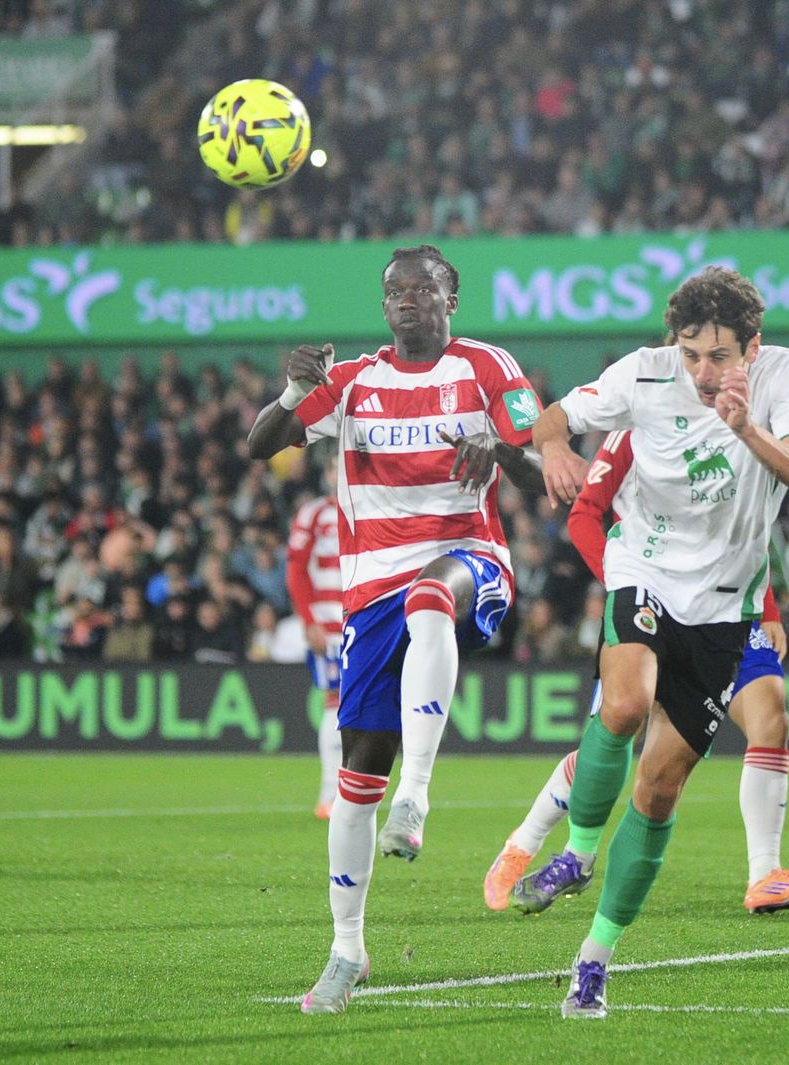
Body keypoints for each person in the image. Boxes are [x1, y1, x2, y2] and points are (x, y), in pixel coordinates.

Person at [246, 244, 547, 1014]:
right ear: (383, 306)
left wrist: (504, 447)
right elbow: (260, 444)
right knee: (354, 784)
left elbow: (549, 470)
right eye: (395, 289)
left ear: (454, 298)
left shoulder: (487, 368)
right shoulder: (352, 383)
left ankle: (416, 794)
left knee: (428, 598)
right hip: (367, 594)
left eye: (424, 286)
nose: (408, 297)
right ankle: (347, 950)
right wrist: (292, 389)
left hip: (468, 560)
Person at [520, 267, 789, 1019]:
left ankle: (593, 960)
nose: (700, 371)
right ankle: (578, 851)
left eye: (718, 356)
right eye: (690, 352)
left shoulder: (786, 375)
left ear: (752, 347)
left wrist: (744, 427)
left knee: (658, 788)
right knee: (623, 704)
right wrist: (558, 450)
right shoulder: (646, 373)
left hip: (724, 607)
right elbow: (551, 416)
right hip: (645, 568)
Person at [483, 429, 789, 916]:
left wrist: (767, 606)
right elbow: (583, 515)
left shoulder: (735, 429)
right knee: (620, 732)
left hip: (727, 610)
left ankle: (765, 873)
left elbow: (744, 529)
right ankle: (526, 842)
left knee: (772, 719)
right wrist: (628, 587)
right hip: (648, 604)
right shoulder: (638, 428)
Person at [286, 450, 344, 820]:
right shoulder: (314, 514)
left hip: (367, 625)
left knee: (372, 711)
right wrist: (309, 620)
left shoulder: (376, 509)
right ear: (328, 472)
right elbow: (296, 570)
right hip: (330, 629)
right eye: (338, 466)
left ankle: (352, 792)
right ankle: (328, 795)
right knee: (335, 705)